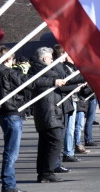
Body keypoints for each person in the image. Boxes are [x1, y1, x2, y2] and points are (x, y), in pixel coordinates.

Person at [0, 45, 29, 192]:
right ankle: (9, 184)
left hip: (3, 113)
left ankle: (8, 183)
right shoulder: (8, 72)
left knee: (10, 151)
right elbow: (28, 82)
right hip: (11, 113)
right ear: (8, 59)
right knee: (12, 152)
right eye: (13, 58)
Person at [28, 47, 67, 183]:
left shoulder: (40, 69)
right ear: (45, 59)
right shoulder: (40, 70)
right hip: (48, 111)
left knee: (45, 143)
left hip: (48, 111)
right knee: (56, 140)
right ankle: (47, 172)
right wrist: (54, 81)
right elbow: (36, 82)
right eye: (51, 58)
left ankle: (43, 173)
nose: (52, 60)